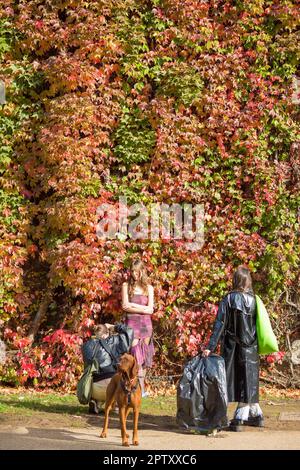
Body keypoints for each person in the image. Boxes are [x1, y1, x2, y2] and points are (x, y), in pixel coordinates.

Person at [203, 266, 264, 431]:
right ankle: (256, 415)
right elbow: (260, 325)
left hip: (232, 346)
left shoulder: (228, 299)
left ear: (235, 280)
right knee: (248, 379)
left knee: (235, 380)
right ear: (248, 281)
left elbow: (220, 324)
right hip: (251, 346)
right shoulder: (255, 300)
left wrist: (210, 346)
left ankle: (240, 417)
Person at [122, 257, 154, 397]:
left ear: (142, 271)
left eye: (137, 272)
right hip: (132, 325)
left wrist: (133, 306)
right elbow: (124, 306)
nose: (135, 275)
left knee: (144, 357)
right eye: (133, 272)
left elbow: (151, 310)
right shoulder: (126, 286)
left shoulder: (149, 288)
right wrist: (142, 308)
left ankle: (141, 389)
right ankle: (131, 385)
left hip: (146, 325)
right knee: (134, 356)